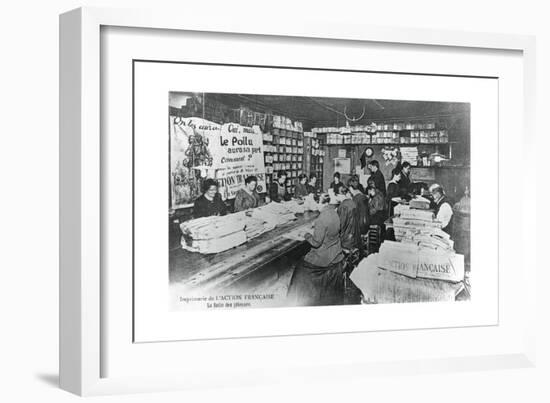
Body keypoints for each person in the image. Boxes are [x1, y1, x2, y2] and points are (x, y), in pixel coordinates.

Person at [286, 195, 346, 306]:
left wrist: (306, 234)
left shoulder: (321, 219)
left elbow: (316, 243)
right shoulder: (334, 213)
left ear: (320, 203)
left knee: (300, 267)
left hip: (324, 257)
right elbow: (331, 231)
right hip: (336, 252)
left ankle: (298, 298)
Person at [337, 186, 362, 252]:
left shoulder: (343, 206)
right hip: (356, 237)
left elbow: (340, 225)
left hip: (347, 241)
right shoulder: (353, 203)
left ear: (342, 195)